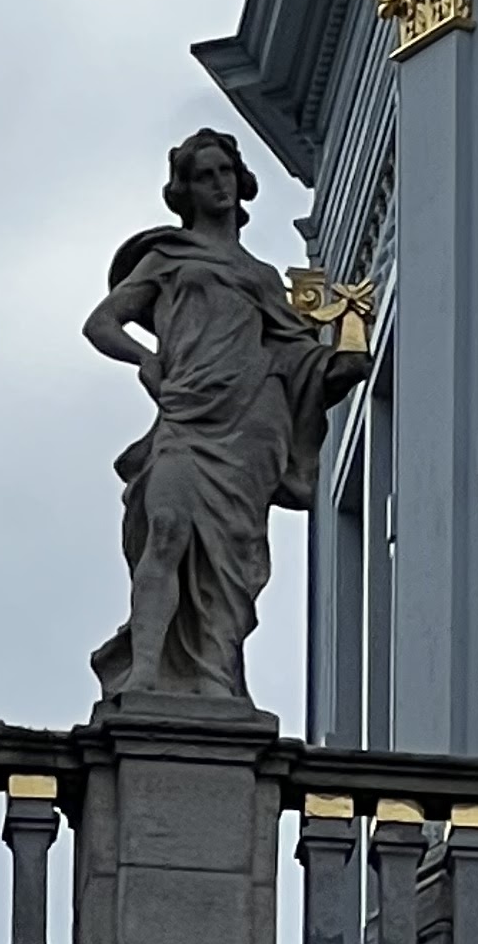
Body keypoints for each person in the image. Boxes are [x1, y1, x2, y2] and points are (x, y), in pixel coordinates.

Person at [83, 126, 366, 699]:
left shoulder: (263, 279)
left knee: (232, 554)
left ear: (241, 184)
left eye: (226, 174)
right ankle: (145, 671)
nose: (218, 185)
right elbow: (102, 323)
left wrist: (341, 360)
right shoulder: (169, 255)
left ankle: (216, 677)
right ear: (184, 190)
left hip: (252, 421)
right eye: (205, 175)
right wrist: (147, 359)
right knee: (164, 527)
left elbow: (297, 358)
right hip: (188, 413)